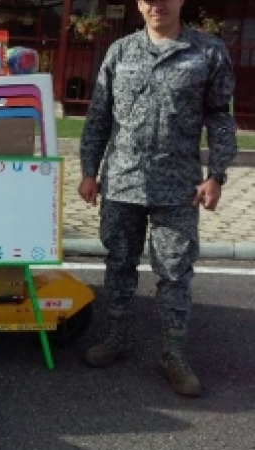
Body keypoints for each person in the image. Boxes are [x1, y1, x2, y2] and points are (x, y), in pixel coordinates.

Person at [77, 0, 237, 398]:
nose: (157, 5)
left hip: (177, 185)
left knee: (175, 272)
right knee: (119, 263)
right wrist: (88, 171)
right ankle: (117, 339)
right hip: (121, 182)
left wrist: (216, 174)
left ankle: (173, 355)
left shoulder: (207, 51)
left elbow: (219, 116)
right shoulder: (120, 51)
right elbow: (99, 115)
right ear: (138, 4)